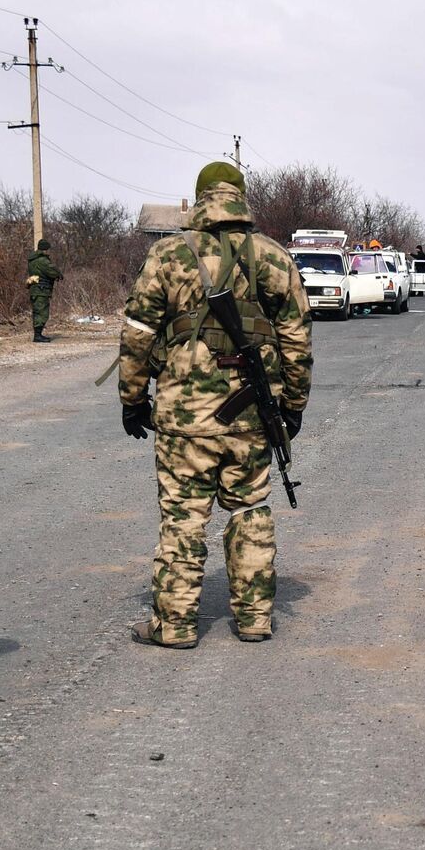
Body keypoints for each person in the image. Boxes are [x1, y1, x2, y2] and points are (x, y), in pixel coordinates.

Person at [117, 161, 314, 648]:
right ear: (241, 198)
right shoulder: (273, 257)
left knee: (183, 516)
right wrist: (292, 404)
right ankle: (255, 619)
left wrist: (132, 397)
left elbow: (138, 333)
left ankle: (176, 624)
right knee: (249, 509)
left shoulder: (168, 254)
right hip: (250, 417)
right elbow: (297, 338)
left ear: (200, 197)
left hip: (184, 419)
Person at [26, 238, 62, 343]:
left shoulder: (32, 259)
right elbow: (52, 272)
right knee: (42, 313)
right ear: (46, 249)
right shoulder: (42, 260)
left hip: (36, 289)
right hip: (41, 289)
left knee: (38, 311)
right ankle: (37, 336)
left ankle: (38, 334)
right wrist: (59, 274)